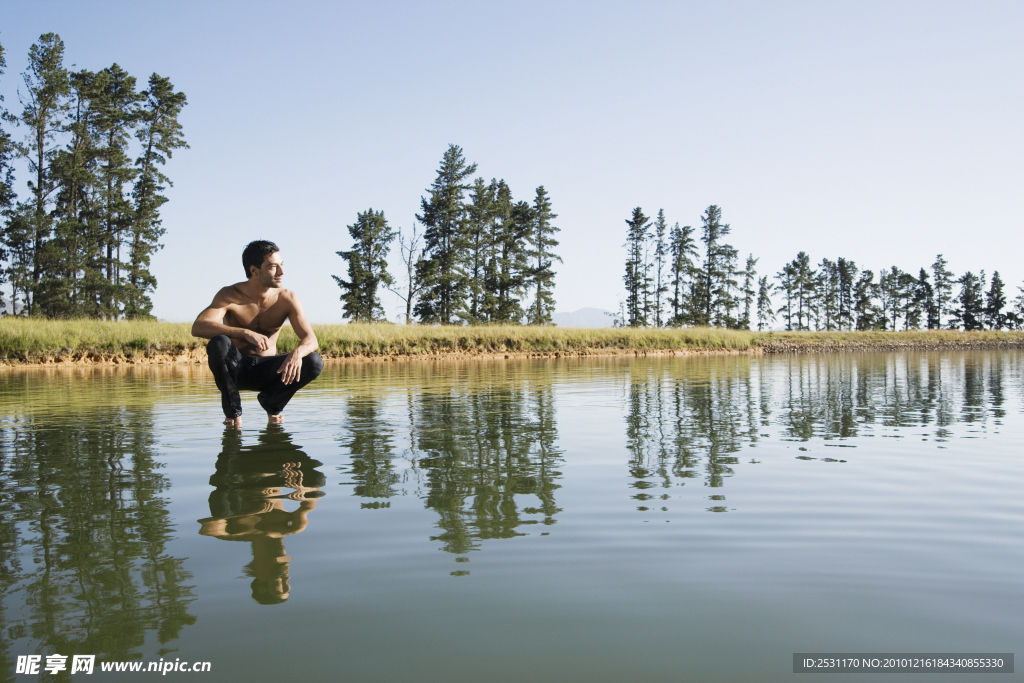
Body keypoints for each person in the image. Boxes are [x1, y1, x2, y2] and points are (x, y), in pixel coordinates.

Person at [192, 240, 323, 426]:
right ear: (254, 270)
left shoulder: (287, 298)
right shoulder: (230, 295)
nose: (281, 273)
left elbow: (311, 339)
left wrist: (297, 354)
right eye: (273, 267)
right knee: (219, 342)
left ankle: (272, 402)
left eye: (281, 266)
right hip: (236, 370)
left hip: (271, 371)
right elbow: (198, 326)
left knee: (314, 361)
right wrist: (243, 332)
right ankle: (233, 414)